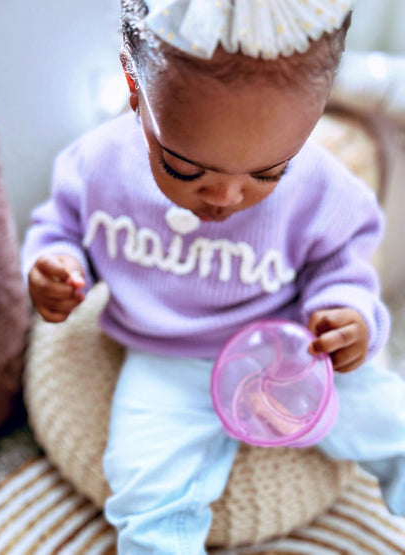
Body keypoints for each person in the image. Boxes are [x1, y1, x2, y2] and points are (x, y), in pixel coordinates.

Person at [22, 1, 405, 553]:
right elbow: (57, 227)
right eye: (184, 167)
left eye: (268, 172)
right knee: (142, 489)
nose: (226, 198)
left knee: (387, 418)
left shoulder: (322, 187)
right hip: (167, 359)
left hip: (292, 344)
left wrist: (347, 312)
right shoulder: (96, 165)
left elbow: (344, 262)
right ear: (134, 87)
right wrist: (53, 268)